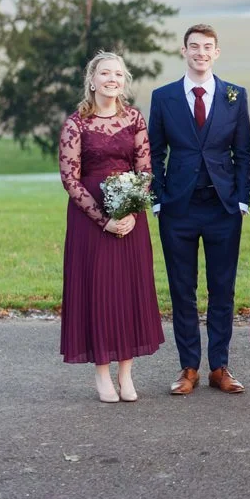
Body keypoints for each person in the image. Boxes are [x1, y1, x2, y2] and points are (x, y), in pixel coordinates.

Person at [148, 24, 250, 395]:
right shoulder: (163, 98)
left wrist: (242, 198)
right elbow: (154, 154)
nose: (201, 53)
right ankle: (188, 367)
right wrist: (158, 199)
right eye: (194, 47)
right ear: (184, 51)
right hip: (178, 208)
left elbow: (243, 154)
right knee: (182, 289)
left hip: (223, 207)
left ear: (217, 52)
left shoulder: (234, 96)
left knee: (222, 289)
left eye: (208, 47)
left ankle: (220, 367)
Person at [58, 51, 164, 402]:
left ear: (124, 81)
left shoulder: (134, 118)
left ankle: (126, 374)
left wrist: (131, 209)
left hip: (131, 219)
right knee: (98, 292)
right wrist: (104, 219)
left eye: (118, 74)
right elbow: (70, 179)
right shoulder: (76, 124)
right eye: (105, 73)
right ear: (92, 81)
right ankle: (102, 374)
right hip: (91, 222)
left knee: (128, 291)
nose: (112, 79)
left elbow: (145, 170)